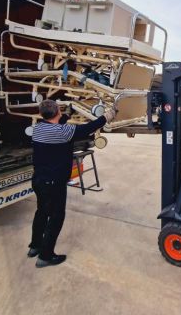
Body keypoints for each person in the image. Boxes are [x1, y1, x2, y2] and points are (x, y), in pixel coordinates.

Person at [28, 100, 115, 268]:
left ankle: (35, 246)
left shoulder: (38, 128)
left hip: (38, 179)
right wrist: (107, 116)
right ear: (57, 112)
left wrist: (67, 114)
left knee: (42, 212)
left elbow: (56, 123)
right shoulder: (64, 132)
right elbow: (88, 128)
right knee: (56, 217)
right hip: (54, 183)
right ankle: (45, 256)